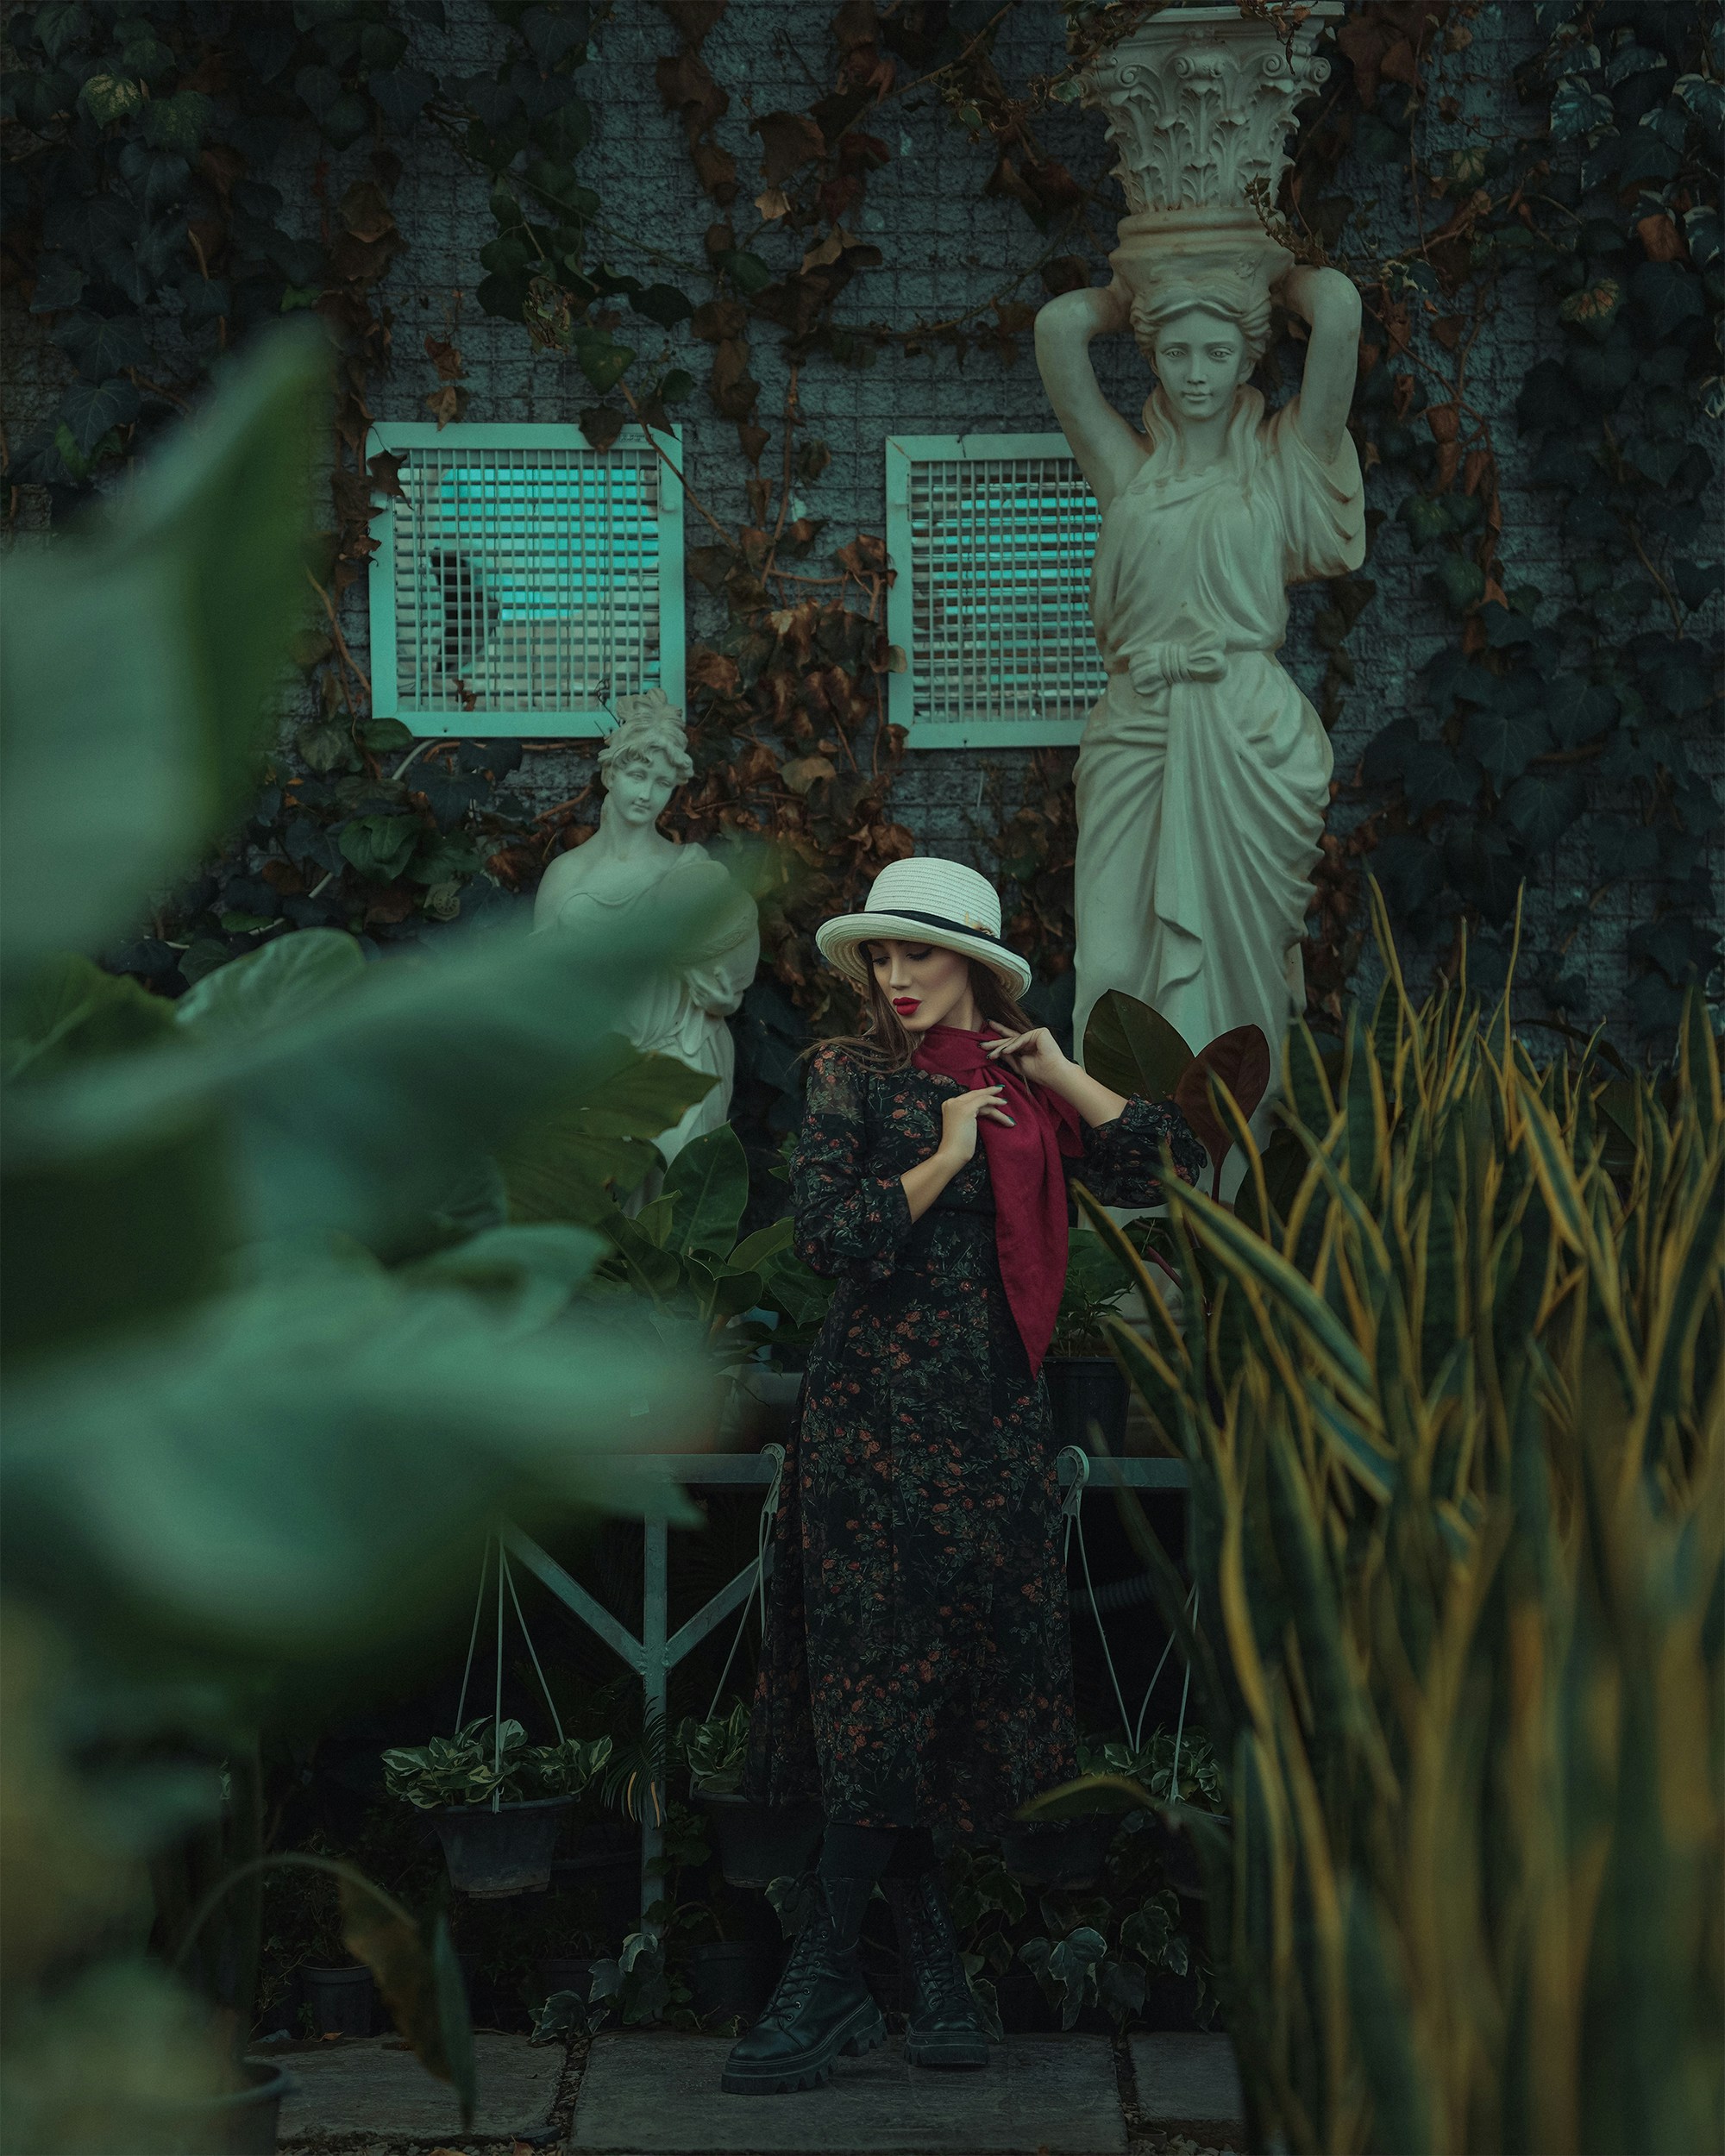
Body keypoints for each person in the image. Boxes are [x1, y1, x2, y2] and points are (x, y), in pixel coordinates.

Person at [723, 856, 1203, 2096]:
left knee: (935, 1689)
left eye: (918, 957)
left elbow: (1167, 1167)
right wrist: (940, 1154)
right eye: (880, 958)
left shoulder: (1024, 1090)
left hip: (991, 1432)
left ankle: (933, 1975)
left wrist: (1057, 1074)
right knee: (882, 1680)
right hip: (875, 1428)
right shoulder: (852, 1077)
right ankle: (832, 1972)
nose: (893, 980)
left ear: (977, 968)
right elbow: (829, 1239)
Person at [1035, 256, 1364, 1145]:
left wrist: (1264, 269)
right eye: (1174, 351)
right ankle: (1133, 1197)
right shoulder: (1127, 471)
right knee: (1109, 964)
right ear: (1150, 357)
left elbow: (1336, 311)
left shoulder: (1281, 463)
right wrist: (1128, 291)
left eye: (1216, 351)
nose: (1194, 373)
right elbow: (1059, 332)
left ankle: (1234, 1183)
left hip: (1245, 729)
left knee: (1239, 968)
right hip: (1135, 726)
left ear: (1245, 359)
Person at [532, 689, 758, 1164]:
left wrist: (719, 985)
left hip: (685, 1052)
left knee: (677, 1216)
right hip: (597, 1062)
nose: (646, 793)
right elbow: (539, 988)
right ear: (610, 773)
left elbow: (728, 970)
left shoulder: (691, 873)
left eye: (661, 782)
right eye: (637, 775)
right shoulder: (568, 875)